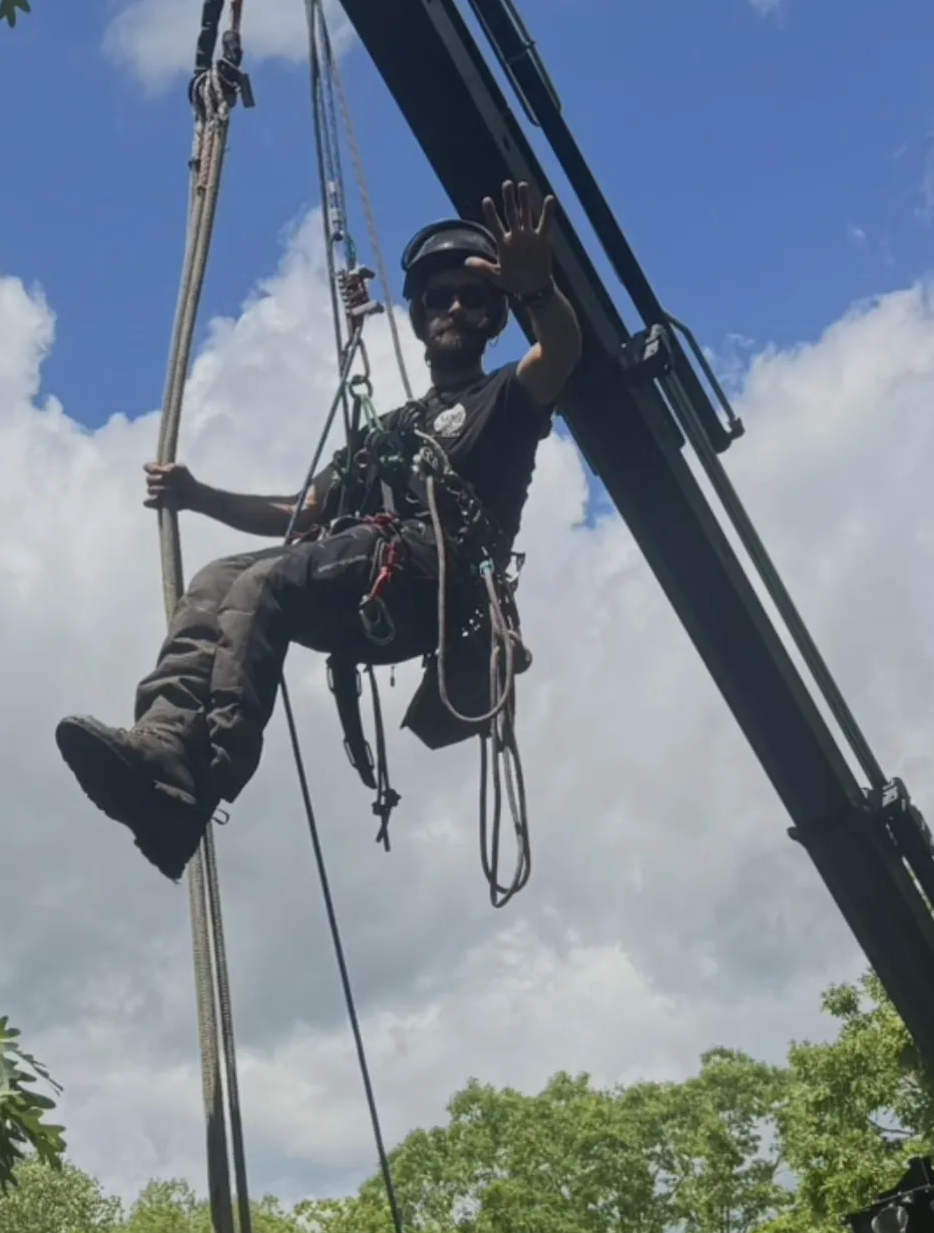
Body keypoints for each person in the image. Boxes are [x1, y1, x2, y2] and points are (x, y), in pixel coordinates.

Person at [56, 181, 582, 880]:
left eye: (475, 297)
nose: (455, 306)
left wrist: (538, 290)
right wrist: (198, 496)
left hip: (429, 582)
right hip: (363, 576)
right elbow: (303, 513)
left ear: (494, 319)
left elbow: (563, 355)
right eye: (439, 297)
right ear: (421, 316)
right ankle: (162, 742)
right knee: (219, 579)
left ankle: (204, 777)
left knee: (267, 582)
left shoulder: (505, 399)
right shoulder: (394, 430)